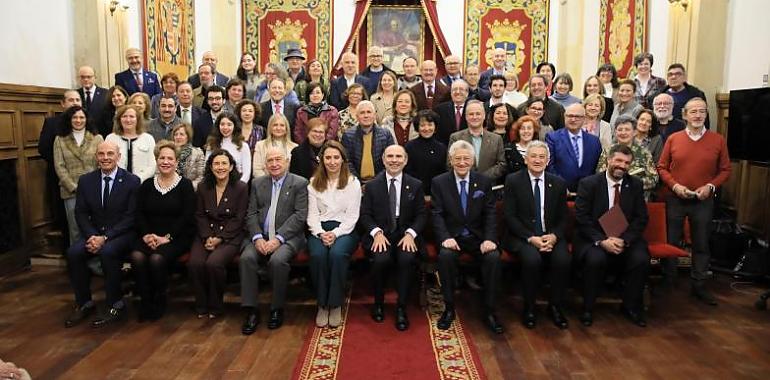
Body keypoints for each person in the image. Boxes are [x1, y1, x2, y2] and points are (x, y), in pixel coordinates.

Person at [658, 98, 730, 304]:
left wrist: (711, 187)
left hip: (703, 200)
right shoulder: (673, 138)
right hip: (676, 198)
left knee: (701, 243)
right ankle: (668, 280)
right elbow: (662, 167)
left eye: (702, 112)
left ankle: (698, 284)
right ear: (684, 115)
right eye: (693, 112)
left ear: (706, 115)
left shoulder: (718, 140)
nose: (698, 115)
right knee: (671, 241)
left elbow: (725, 170)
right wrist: (675, 186)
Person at [64, 141, 141, 328]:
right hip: (95, 234)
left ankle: (116, 304)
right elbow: (81, 212)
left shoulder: (132, 181)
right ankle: (84, 303)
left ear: (118, 156)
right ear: (96, 157)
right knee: (73, 253)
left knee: (108, 251)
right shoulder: (86, 180)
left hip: (122, 235)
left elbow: (131, 217)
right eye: (101, 154)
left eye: (110, 154)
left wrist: (105, 238)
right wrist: (92, 235)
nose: (105, 158)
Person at [575, 144, 650, 327]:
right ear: (609, 160)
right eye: (618, 160)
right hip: (594, 237)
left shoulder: (635, 185)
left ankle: (631, 307)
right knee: (595, 259)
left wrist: (625, 240)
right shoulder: (589, 183)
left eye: (626, 163)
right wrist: (602, 241)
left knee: (641, 258)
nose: (622, 166)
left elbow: (641, 218)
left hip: (624, 237)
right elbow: (582, 217)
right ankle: (587, 308)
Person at [431, 140, 502, 333]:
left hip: (479, 237)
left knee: (493, 258)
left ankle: (489, 310)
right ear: (451, 160)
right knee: (445, 257)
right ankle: (449, 308)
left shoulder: (484, 182)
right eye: (458, 158)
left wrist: (489, 239)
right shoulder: (439, 182)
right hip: (452, 237)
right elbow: (436, 214)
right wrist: (445, 237)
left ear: (473, 161)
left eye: (466, 158)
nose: (462, 162)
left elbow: (490, 214)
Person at [240, 147, 308, 334]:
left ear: (287, 161)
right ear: (265, 164)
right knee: (247, 258)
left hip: (288, 238)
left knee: (277, 261)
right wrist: (256, 237)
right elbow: (251, 213)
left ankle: (276, 308)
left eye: (278, 159)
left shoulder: (300, 183)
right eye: (270, 160)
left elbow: (300, 215)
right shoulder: (257, 183)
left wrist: (278, 239)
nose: (274, 164)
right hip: (259, 237)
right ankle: (251, 310)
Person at [503, 141, 570, 329]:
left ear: (548, 161)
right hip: (522, 237)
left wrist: (555, 236)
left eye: (542, 157)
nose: (538, 160)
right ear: (526, 159)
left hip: (551, 237)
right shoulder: (513, 181)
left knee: (563, 260)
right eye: (534, 156)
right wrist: (530, 238)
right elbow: (510, 216)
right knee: (532, 260)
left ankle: (555, 307)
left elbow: (563, 217)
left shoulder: (558, 183)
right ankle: (529, 307)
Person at [360, 145, 426, 331]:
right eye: (390, 156)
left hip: (405, 233)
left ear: (405, 160)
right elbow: (365, 215)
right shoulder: (372, 186)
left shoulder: (415, 184)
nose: (394, 160)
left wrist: (411, 234)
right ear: (383, 159)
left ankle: (401, 307)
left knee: (407, 258)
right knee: (380, 259)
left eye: (399, 156)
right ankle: (379, 302)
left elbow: (421, 214)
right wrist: (376, 233)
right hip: (382, 233)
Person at [131, 140, 195, 321]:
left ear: (176, 162)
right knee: (137, 256)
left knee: (157, 259)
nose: (165, 161)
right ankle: (145, 301)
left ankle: (160, 299)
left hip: (176, 237)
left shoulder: (185, 185)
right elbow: (139, 213)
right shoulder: (146, 185)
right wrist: (146, 235)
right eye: (162, 158)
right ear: (156, 160)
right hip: (149, 235)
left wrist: (167, 237)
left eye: (170, 158)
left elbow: (187, 216)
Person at [306, 141, 362, 328]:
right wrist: (321, 233)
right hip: (319, 229)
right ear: (322, 160)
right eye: (328, 157)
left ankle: (335, 303)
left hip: (345, 229)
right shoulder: (314, 183)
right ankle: (322, 303)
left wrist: (335, 234)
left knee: (337, 254)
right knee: (318, 255)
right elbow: (312, 216)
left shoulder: (353, 183)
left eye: (336, 157)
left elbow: (352, 216)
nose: (332, 162)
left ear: (343, 159)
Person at [189, 149, 248, 318]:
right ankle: (201, 305)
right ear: (210, 167)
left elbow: (239, 218)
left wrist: (220, 238)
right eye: (216, 163)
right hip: (205, 234)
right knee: (195, 264)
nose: (220, 167)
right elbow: (199, 214)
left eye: (224, 163)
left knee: (213, 264)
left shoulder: (241, 187)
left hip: (230, 236)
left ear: (231, 167)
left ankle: (216, 306)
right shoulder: (203, 186)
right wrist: (207, 236)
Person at [53, 105, 104, 244]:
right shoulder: (60, 139)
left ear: (87, 119)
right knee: (75, 229)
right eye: (74, 117)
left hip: (94, 190)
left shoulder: (97, 138)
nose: (78, 120)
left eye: (82, 117)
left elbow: (102, 163)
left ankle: (95, 264)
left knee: (95, 228)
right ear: (69, 119)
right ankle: (78, 262)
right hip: (71, 192)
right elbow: (59, 166)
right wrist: (74, 187)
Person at [39, 90, 82, 246]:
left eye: (78, 99)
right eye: (71, 100)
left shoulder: (88, 123)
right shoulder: (52, 123)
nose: (75, 103)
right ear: (63, 104)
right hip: (62, 180)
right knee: (66, 221)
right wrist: (63, 164)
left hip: (85, 181)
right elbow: (43, 149)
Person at [596, 115, 659, 199]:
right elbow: (600, 173)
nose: (623, 133)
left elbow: (653, 178)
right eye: (620, 129)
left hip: (636, 196)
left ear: (634, 132)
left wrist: (630, 184)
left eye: (627, 129)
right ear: (615, 132)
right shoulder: (608, 151)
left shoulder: (644, 153)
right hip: (611, 195)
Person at [545, 103, 602, 193]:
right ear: (564, 117)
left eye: (577, 117)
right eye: (570, 116)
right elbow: (550, 165)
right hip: (560, 191)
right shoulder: (553, 138)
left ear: (584, 118)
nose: (573, 119)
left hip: (587, 192)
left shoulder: (594, 141)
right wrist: (560, 185)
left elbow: (597, 168)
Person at [448, 100, 506, 182]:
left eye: (478, 114)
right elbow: (450, 163)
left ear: (484, 116)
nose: (475, 117)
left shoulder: (496, 139)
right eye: (471, 114)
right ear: (466, 117)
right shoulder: (455, 137)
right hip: (463, 184)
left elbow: (502, 164)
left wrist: (482, 178)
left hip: (488, 186)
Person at [341, 100, 395, 181]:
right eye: (362, 113)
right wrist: (357, 182)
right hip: (355, 183)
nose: (366, 115)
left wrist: (375, 183)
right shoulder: (348, 135)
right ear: (357, 116)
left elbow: (390, 161)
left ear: (374, 115)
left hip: (381, 182)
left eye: (369, 112)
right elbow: (347, 161)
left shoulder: (386, 134)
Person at [105, 105, 157, 182]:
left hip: (142, 184)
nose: (128, 120)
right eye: (124, 116)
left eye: (132, 116)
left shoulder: (148, 139)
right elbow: (107, 162)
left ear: (138, 120)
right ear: (119, 119)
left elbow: (153, 165)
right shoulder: (111, 138)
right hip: (116, 184)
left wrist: (138, 179)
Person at [652, 63, 709, 128]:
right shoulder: (658, 96)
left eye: (678, 74)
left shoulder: (696, 95)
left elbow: (705, 119)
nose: (673, 77)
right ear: (667, 78)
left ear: (684, 77)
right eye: (670, 75)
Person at [404, 110, 447, 195]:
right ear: (417, 127)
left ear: (435, 127)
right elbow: (408, 173)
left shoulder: (442, 148)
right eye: (422, 125)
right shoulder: (409, 147)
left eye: (430, 125)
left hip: (436, 194)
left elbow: (443, 173)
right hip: (414, 193)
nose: (426, 128)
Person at [206, 112, 252, 183]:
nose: (225, 127)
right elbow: (207, 167)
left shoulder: (243, 146)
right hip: (215, 184)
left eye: (229, 124)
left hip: (237, 185)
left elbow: (246, 173)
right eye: (222, 124)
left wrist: (238, 188)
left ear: (235, 126)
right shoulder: (211, 144)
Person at [434, 79, 470, 145]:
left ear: (467, 93)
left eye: (461, 89)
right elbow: (437, 134)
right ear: (450, 93)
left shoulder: (473, 108)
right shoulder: (440, 110)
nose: (457, 92)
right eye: (454, 89)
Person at [171, 123, 205, 189]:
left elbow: (201, 177)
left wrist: (187, 187)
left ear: (188, 136)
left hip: (190, 190)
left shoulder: (198, 153)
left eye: (181, 134)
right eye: (176, 134)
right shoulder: (169, 152)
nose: (178, 137)